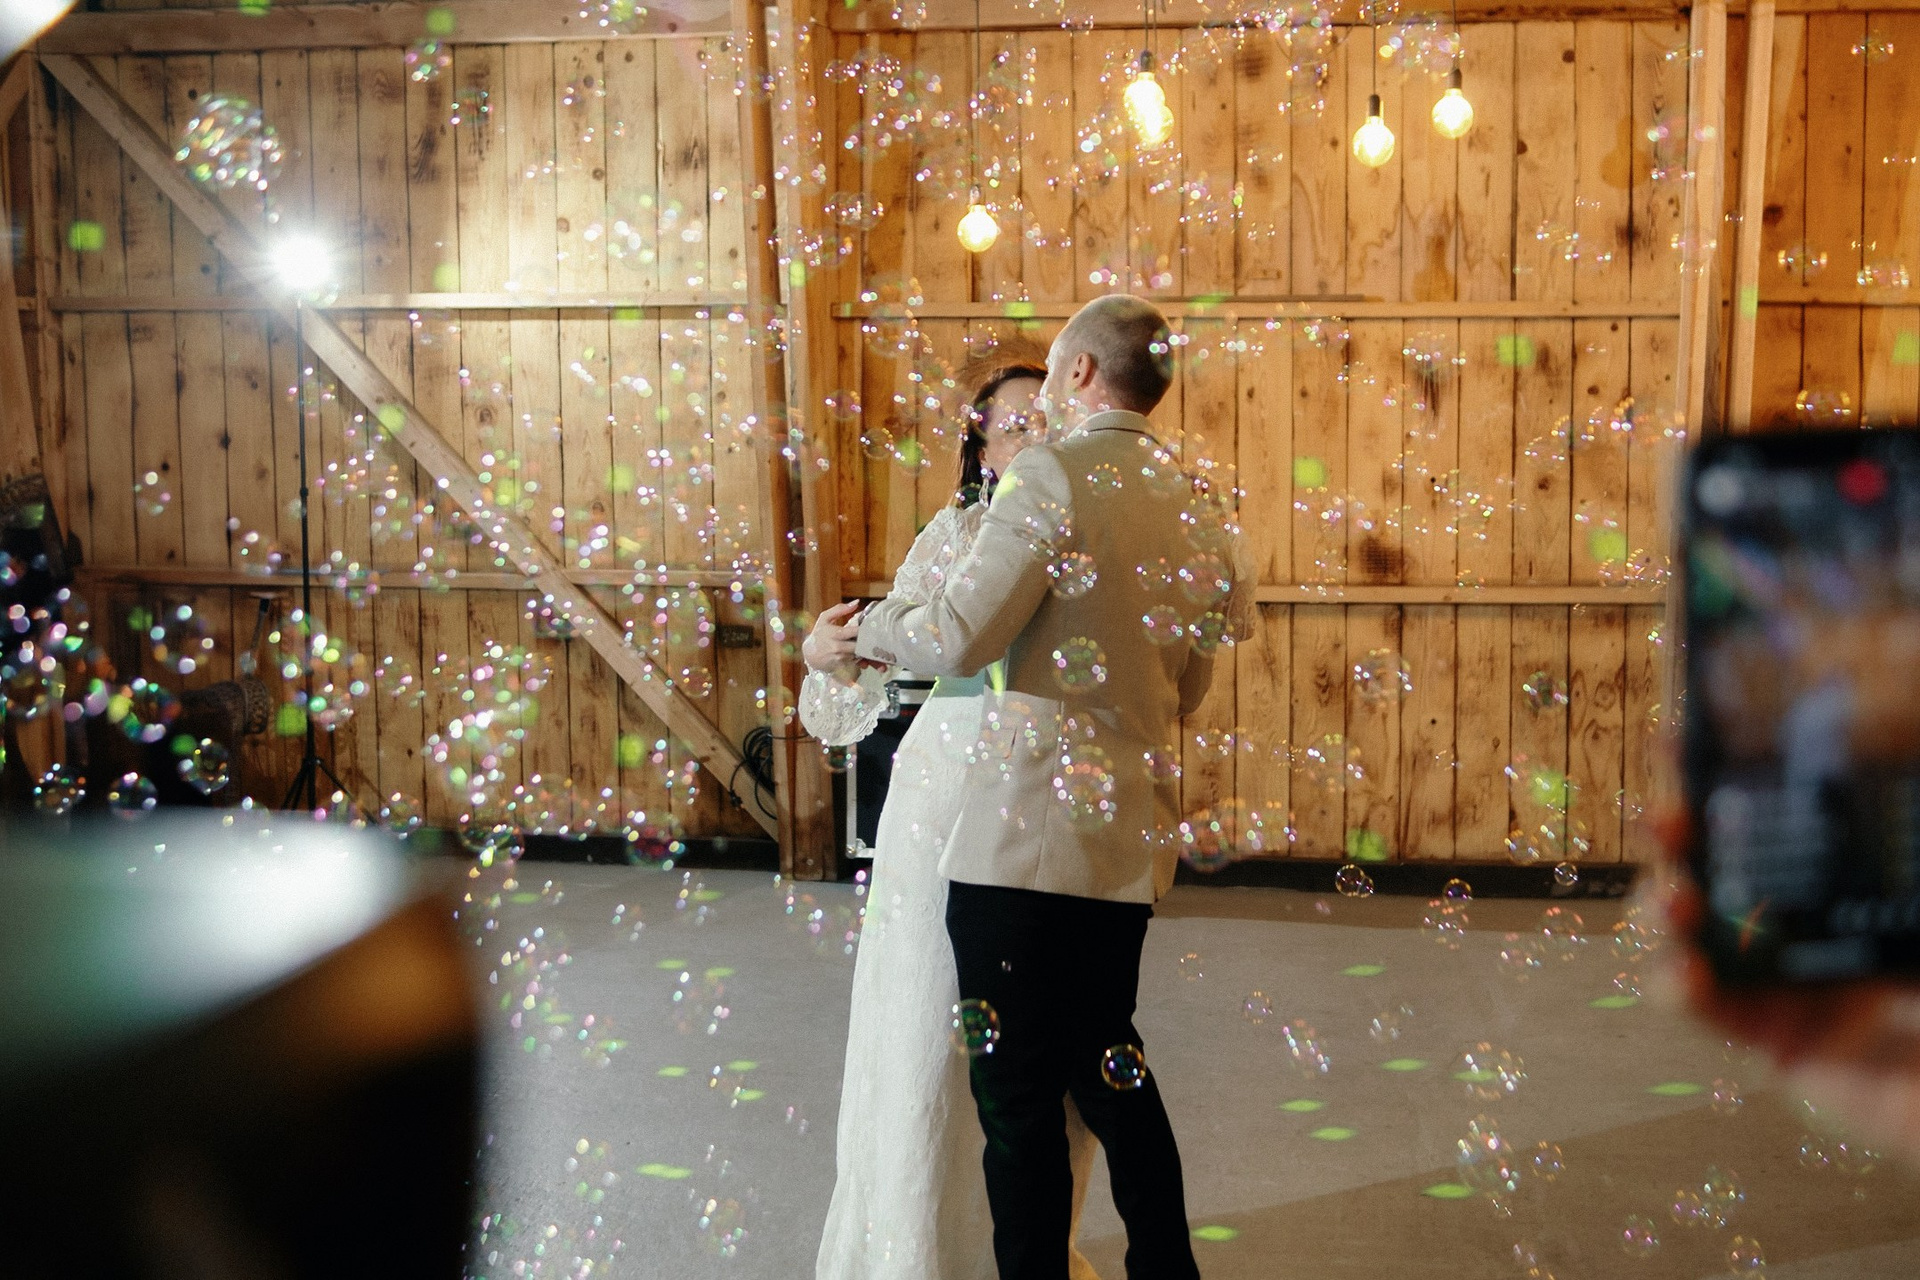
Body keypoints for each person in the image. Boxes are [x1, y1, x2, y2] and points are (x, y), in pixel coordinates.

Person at [851, 295, 1230, 1280]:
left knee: (1017, 1101)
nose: (1049, 396)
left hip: (1021, 834)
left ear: (1084, 373)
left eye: (1057, 371)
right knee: (1108, 1068)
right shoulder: (1196, 500)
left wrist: (865, 626)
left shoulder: (1050, 475)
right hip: (1126, 831)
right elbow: (1188, 686)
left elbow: (956, 638)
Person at [802, 344, 1105, 1280]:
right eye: (1012, 427)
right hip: (944, 795)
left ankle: (1027, 1249)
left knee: (1043, 1041)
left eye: (1047, 424)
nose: (1031, 439)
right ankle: (917, 1251)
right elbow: (876, 670)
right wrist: (827, 657)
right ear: (979, 450)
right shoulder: (956, 532)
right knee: (931, 1021)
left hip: (1055, 791)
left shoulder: (1092, 537)